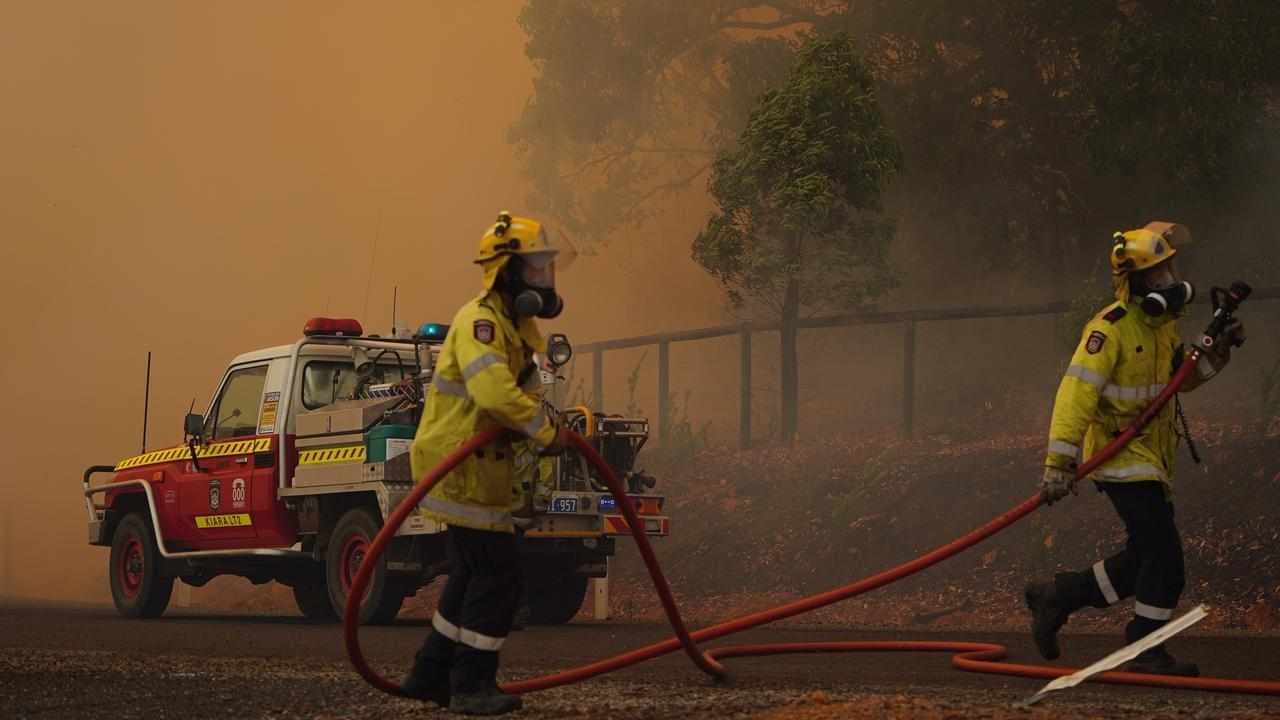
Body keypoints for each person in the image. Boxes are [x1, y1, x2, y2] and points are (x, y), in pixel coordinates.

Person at [1024, 222, 1245, 677]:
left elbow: (1177, 384)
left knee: (1144, 557)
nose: (1170, 282)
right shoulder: (1110, 329)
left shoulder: (1163, 326)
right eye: (1159, 275)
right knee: (1166, 558)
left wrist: (1218, 353)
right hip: (1120, 458)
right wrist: (1059, 463)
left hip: (1150, 457)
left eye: (1171, 271)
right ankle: (1146, 646)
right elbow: (1075, 395)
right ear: (1136, 282)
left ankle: (1059, 595)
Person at [402, 211, 574, 715]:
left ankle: (430, 673)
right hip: (460, 467)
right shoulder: (479, 323)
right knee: (500, 578)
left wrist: (530, 479)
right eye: (536, 268)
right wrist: (544, 431)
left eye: (547, 268)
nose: (545, 279)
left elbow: (524, 401)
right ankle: (471, 684)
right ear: (506, 271)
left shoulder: (514, 327)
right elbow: (494, 394)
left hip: (482, 469)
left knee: (471, 573)